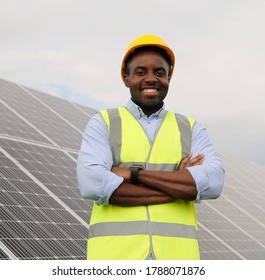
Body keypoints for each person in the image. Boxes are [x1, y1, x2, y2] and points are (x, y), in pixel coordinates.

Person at [76, 34, 225, 260]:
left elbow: (214, 183)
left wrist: (132, 174)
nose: (151, 78)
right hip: (115, 259)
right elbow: (92, 184)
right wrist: (179, 185)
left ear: (168, 78)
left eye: (160, 72)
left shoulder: (190, 127)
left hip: (177, 260)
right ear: (126, 78)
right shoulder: (104, 122)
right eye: (140, 71)